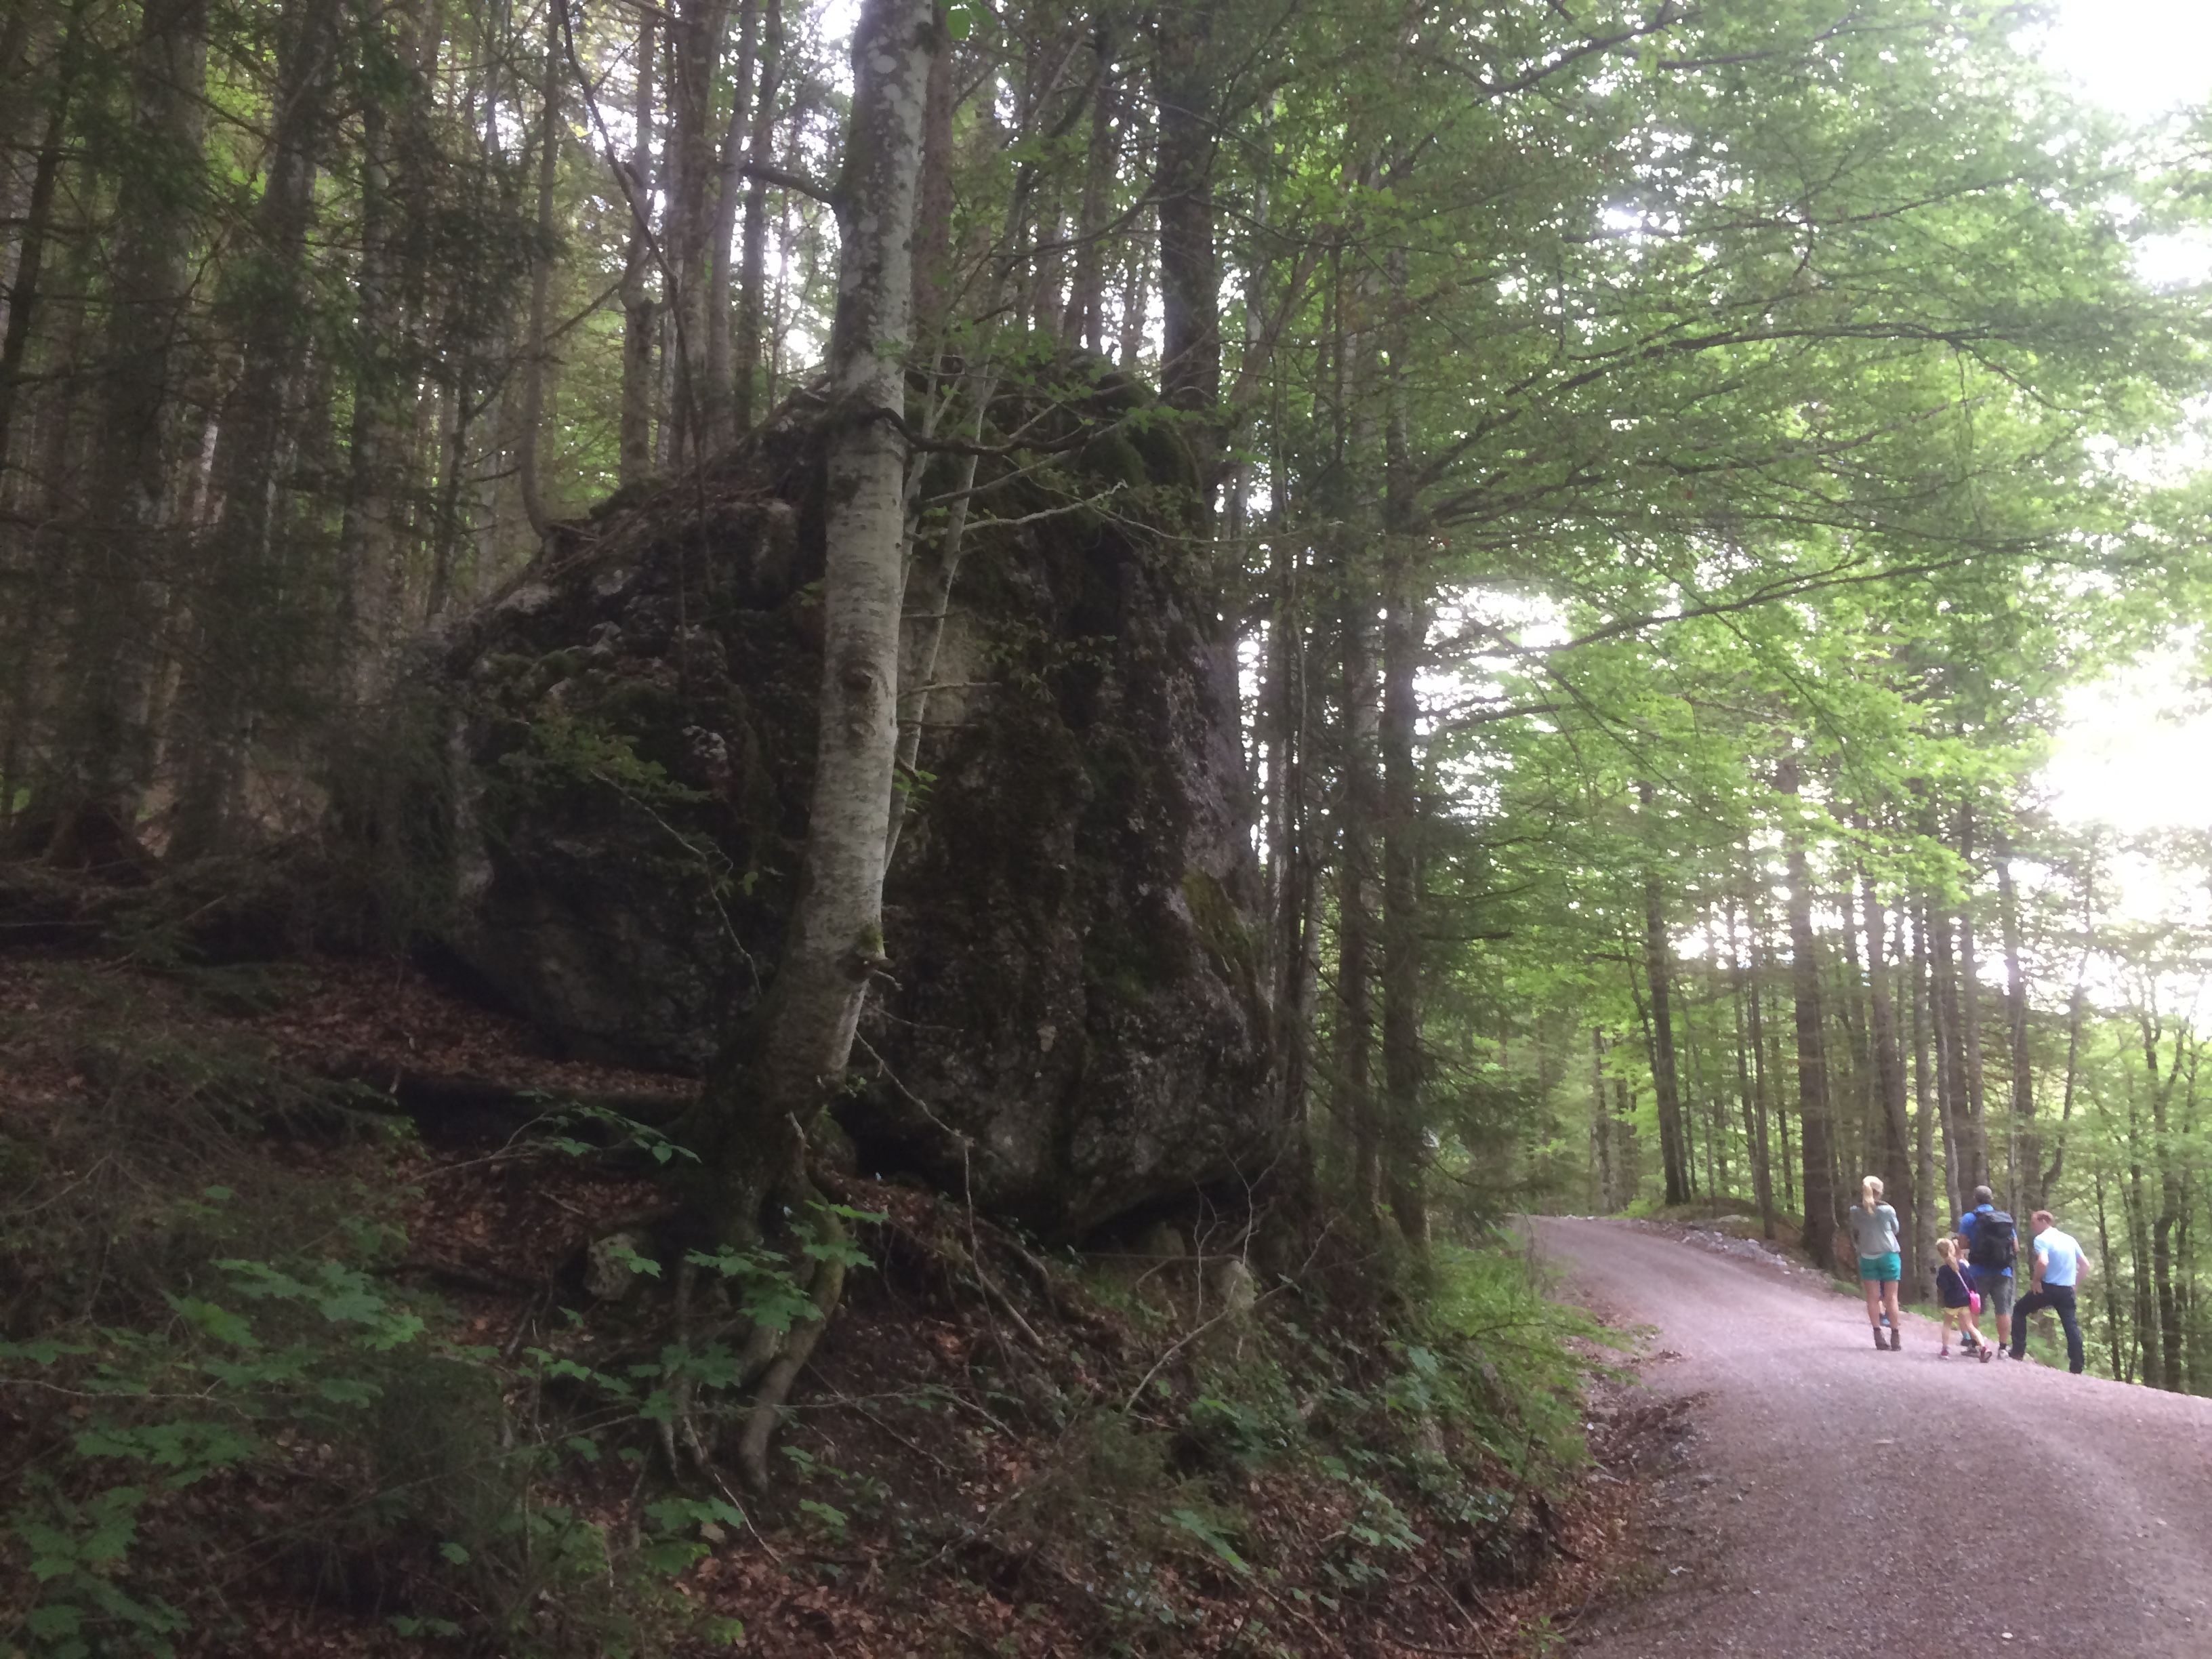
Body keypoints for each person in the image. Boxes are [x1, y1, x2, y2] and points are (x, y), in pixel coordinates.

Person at [2010, 1210, 2091, 1374]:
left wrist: (2036, 1281)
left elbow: (2043, 1261)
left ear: (2044, 1221)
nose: (2033, 1226)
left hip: (2047, 1288)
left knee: (2019, 1310)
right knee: (2070, 1325)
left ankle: (2018, 1351)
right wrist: (2075, 1284)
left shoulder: (2042, 1239)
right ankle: (2077, 1366)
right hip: (2066, 1290)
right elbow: (2085, 1265)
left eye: (2034, 1222)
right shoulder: (2070, 1239)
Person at [1959, 1185, 2018, 1358]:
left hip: (1978, 1270)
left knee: (1974, 1308)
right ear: (1991, 1199)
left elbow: (1962, 1244)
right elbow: (2015, 1246)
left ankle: (1976, 1345)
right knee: (2003, 1309)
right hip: (2003, 1271)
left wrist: (1976, 1246)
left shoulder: (1970, 1218)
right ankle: (2003, 1348)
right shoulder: (2004, 1219)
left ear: (1975, 1199)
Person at [1848, 1174, 1904, 1350]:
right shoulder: (1887, 1210)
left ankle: (1878, 1335)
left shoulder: (1855, 1211)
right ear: (1879, 1192)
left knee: (1873, 1297)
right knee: (1891, 1297)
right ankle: (1895, 1336)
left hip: (1867, 1255)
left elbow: (1856, 1228)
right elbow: (1896, 1229)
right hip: (1889, 1255)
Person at [1933, 1237, 1982, 1359]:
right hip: (1964, 1301)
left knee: (1947, 1325)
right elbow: (1971, 1283)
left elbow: (1943, 1286)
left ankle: (1945, 1350)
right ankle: (1983, 1347)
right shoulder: (1963, 1266)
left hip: (1951, 1302)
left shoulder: (1944, 1270)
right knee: (1970, 1326)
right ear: (1953, 1250)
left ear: (1940, 1253)